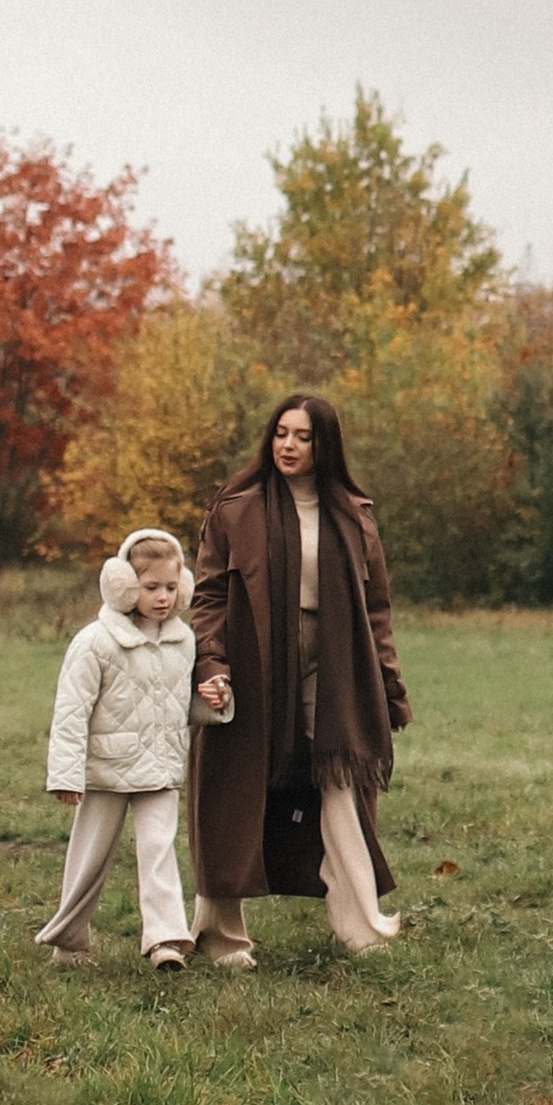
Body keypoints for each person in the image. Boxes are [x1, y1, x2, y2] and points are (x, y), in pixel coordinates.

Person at [188, 392, 410, 967]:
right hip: (251, 662)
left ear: (324, 445)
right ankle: (221, 937)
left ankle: (360, 924)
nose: (288, 445)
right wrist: (211, 664)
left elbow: (376, 608)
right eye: (281, 433)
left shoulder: (352, 514)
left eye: (303, 437)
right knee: (234, 791)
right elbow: (208, 595)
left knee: (342, 776)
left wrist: (387, 684)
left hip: (334, 662)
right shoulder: (237, 507)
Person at [36, 526, 230, 969]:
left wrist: (214, 699)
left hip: (160, 769)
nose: (162, 597)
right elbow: (70, 712)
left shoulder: (184, 641)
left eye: (169, 586)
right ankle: (69, 943)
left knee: (159, 850)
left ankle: (165, 941)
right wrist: (66, 776)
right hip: (106, 771)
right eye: (150, 587)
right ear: (122, 584)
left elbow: (179, 705)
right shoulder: (95, 642)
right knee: (89, 858)